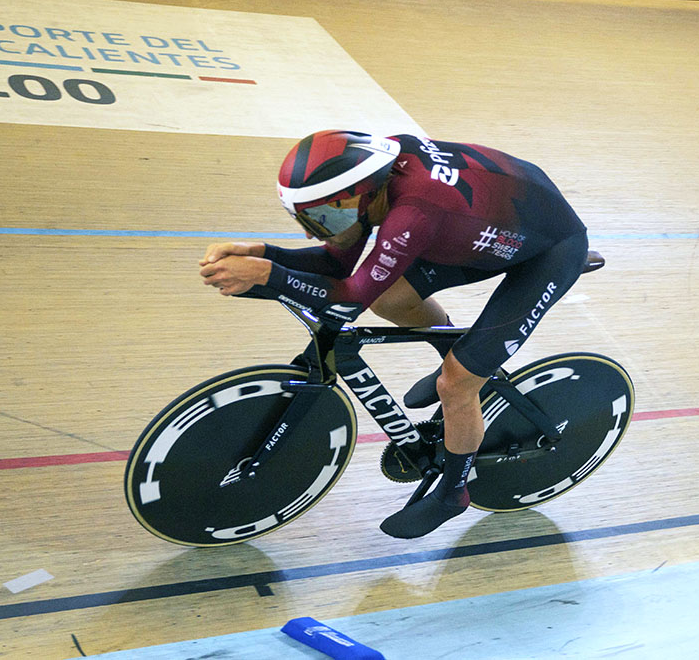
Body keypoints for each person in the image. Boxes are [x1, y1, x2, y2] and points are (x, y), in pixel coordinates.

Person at [199, 130, 594, 539]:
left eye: (321, 217)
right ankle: (457, 354)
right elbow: (337, 265)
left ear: (363, 194)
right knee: (389, 299)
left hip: (549, 251)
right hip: (479, 230)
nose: (312, 232)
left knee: (456, 384)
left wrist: (267, 276)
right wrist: (262, 254)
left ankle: (452, 494)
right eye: (304, 219)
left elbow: (347, 301)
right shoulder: (376, 172)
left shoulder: (413, 213)